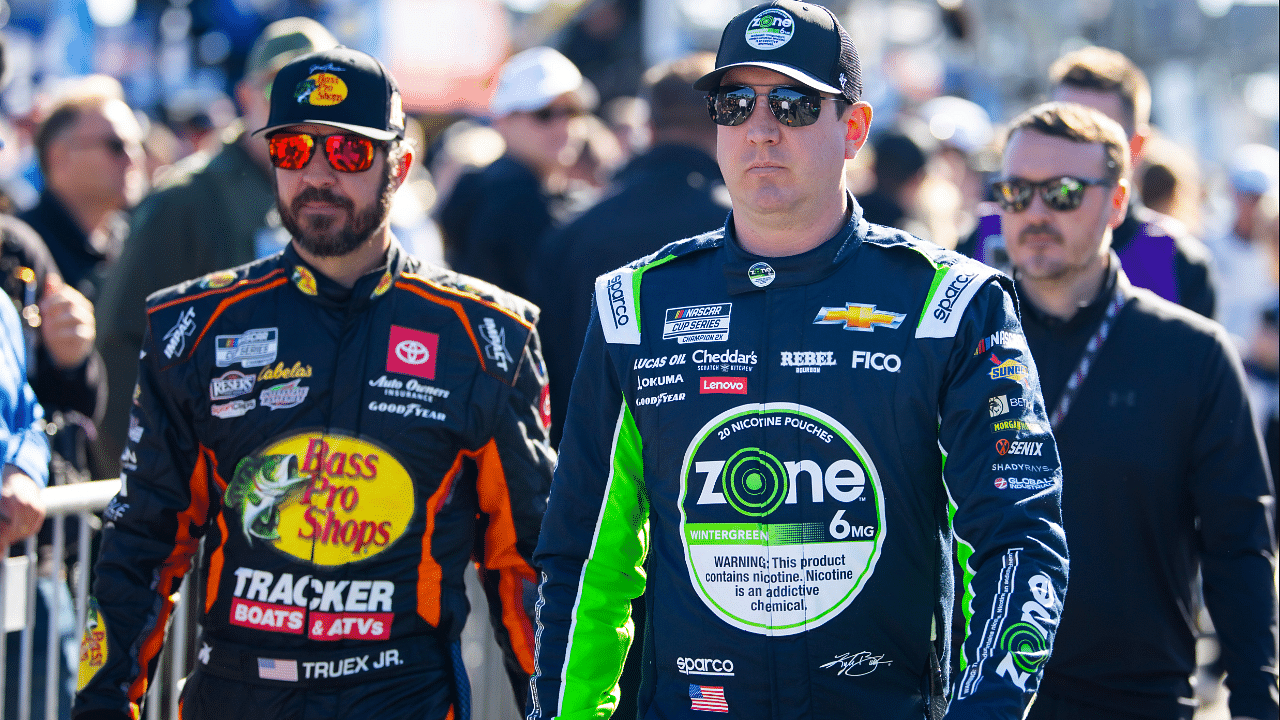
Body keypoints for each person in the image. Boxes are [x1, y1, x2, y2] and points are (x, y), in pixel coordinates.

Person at [526, 3, 1068, 718]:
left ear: (854, 129)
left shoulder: (951, 304)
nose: (761, 127)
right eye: (734, 102)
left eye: (793, 103)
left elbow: (1018, 542)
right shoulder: (636, 307)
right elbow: (586, 563)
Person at [71, 46, 555, 720]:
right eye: (294, 151)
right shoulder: (196, 327)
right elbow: (142, 541)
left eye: (349, 154)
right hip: (236, 697)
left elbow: (528, 562)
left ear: (400, 167)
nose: (318, 175)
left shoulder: (486, 336)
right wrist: (100, 706)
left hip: (402, 698)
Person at [991, 100, 1277, 720]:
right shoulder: (957, 342)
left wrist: (1257, 700)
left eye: (1063, 192)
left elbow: (1238, 545)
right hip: (978, 697)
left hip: (1137, 698)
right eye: (1015, 192)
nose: (1036, 213)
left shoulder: (1192, 353)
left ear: (1117, 204)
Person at [94, 16, 339, 475]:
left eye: (320, 92)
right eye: (279, 89)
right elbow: (121, 345)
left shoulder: (333, 200)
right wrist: (147, 488)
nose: (299, 107)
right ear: (245, 96)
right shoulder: (185, 200)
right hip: (201, 484)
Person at [529, 52, 730, 449]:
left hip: (597, 464)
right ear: (725, 123)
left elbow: (544, 368)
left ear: (649, 128)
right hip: (723, 466)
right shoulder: (751, 229)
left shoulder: (574, 231)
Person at [960, 46, 1216, 319]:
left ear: (1137, 146)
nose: (1068, 148)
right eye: (1059, 125)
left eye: (1093, 133)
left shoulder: (1175, 260)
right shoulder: (985, 236)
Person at [439, 46, 594, 299]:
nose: (563, 125)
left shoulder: (492, 189)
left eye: (572, 111)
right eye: (544, 114)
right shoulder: (508, 198)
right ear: (503, 122)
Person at [19, 79, 145, 304]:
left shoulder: (134, 241)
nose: (133, 158)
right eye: (116, 145)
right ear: (59, 156)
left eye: (138, 145)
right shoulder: (18, 251)